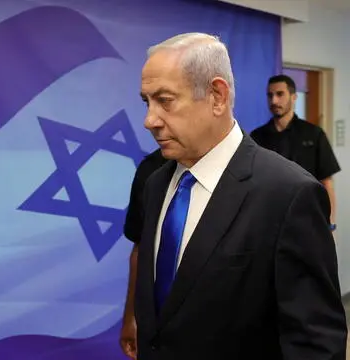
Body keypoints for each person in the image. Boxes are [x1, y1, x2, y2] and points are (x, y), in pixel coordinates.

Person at [134, 33, 346, 359]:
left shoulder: (290, 195)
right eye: (146, 102)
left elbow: (314, 343)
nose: (150, 120)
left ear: (217, 96)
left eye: (165, 100)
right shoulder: (155, 184)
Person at [251, 74, 341, 230]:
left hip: (307, 221)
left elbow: (327, 183)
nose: (274, 101)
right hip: (268, 222)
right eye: (270, 95)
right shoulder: (257, 137)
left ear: (293, 97)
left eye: (280, 94)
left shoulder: (314, 134)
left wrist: (330, 226)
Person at [120, 149, 167, 358]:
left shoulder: (254, 171)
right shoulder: (151, 169)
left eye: (167, 112)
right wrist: (132, 316)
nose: (151, 122)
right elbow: (140, 248)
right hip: (161, 322)